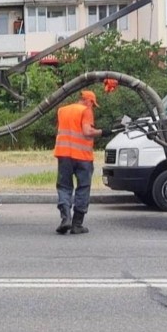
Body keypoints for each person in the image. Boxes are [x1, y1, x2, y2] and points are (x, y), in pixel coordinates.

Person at [54, 90, 105, 235]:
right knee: (83, 188)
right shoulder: (86, 111)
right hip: (82, 157)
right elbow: (87, 132)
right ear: (88, 101)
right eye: (93, 104)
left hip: (64, 155)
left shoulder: (62, 111)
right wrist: (102, 132)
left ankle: (65, 219)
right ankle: (77, 224)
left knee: (64, 187)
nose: (92, 107)